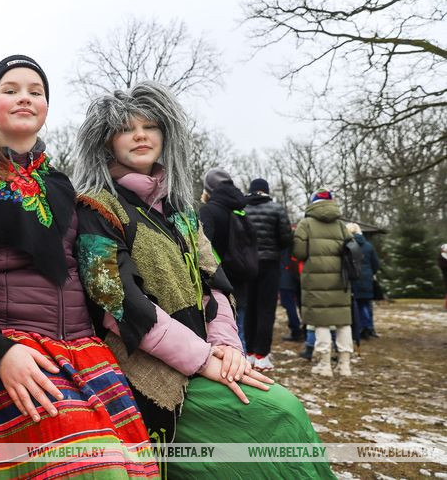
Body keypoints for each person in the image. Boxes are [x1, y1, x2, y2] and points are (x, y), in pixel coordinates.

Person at [73, 83, 333, 479]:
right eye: (127, 128)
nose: (141, 135)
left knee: (285, 413)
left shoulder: (182, 212)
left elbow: (216, 282)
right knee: (276, 415)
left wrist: (226, 345)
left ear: (166, 135)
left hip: (205, 358)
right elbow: (118, 304)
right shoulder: (96, 207)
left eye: (151, 125)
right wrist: (202, 358)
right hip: (142, 371)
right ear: (107, 142)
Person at [0, 55, 160, 478]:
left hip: (82, 354)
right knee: (99, 469)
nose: (24, 98)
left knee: (136, 468)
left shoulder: (63, 186)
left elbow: (99, 280)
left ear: (46, 108)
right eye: (10, 90)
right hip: (9, 353)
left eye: (35, 91)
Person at [293, 189, 353, 378]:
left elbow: (299, 253)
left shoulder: (306, 224)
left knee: (321, 323)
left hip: (315, 279)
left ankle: (325, 364)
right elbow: (352, 250)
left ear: (313, 203)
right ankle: (344, 365)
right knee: (343, 322)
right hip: (340, 279)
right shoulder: (342, 226)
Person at [198, 168, 255, 352]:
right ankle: (243, 370)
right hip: (242, 281)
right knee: (239, 333)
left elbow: (202, 248)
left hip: (219, 285)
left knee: (224, 338)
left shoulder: (209, 211)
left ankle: (235, 375)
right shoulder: (241, 211)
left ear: (208, 188)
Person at [243, 178, 293, 371]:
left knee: (249, 309)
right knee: (266, 309)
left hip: (247, 265)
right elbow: (286, 238)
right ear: (266, 190)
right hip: (270, 264)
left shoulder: (242, 209)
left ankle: (249, 353)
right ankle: (262, 354)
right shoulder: (276, 209)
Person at [346, 223, 381, 339]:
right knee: (366, 304)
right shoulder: (368, 246)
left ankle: (358, 327)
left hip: (353, 278)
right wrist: (371, 273)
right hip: (366, 278)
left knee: (355, 304)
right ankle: (369, 327)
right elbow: (375, 264)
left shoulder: (347, 246)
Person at [278, 247, 305, 342]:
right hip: (299, 273)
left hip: (286, 273)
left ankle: (296, 330)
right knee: (301, 303)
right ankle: (305, 329)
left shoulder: (287, 236)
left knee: (288, 303)